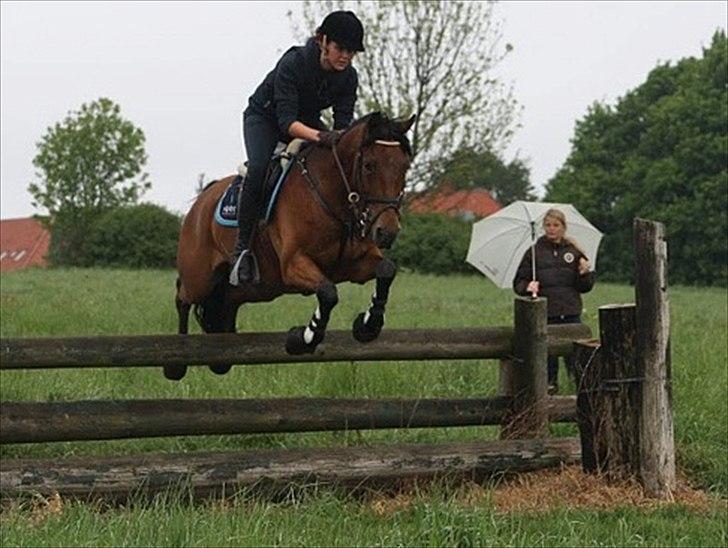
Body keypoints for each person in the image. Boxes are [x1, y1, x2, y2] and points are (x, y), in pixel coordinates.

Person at [229, 10, 365, 286]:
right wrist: (322, 136)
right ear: (321, 40)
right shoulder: (294, 63)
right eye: (340, 49)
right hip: (264, 118)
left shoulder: (348, 78)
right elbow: (287, 123)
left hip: (306, 121)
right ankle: (242, 251)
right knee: (258, 167)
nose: (345, 57)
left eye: (351, 52)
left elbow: (342, 125)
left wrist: (340, 140)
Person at [512, 208, 595, 395]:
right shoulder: (533, 253)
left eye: (556, 225)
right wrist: (528, 287)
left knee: (575, 359)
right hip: (546, 313)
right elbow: (517, 283)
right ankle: (549, 392)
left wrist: (585, 274)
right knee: (548, 358)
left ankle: (580, 393)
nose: (551, 229)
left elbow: (585, 287)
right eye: (548, 225)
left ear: (563, 227)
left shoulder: (574, 252)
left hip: (571, 313)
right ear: (543, 227)